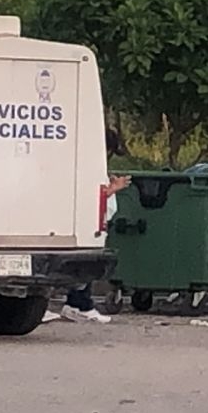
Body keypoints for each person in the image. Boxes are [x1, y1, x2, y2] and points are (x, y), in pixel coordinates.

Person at [61, 130, 131, 324]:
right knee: (86, 261)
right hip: (89, 220)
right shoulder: (86, 165)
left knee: (85, 262)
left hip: (94, 219)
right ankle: (81, 305)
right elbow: (89, 198)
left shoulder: (85, 163)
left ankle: (77, 303)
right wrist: (112, 190)